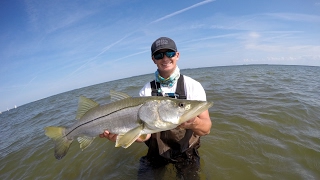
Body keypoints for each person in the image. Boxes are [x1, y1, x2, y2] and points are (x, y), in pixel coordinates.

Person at [100, 37, 212, 179]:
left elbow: (206, 129)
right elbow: (145, 135)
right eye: (159, 55)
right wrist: (121, 136)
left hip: (187, 152)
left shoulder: (192, 86)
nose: (165, 58)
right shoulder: (146, 91)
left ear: (177, 55)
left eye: (170, 53)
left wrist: (193, 122)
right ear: (154, 59)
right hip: (156, 153)